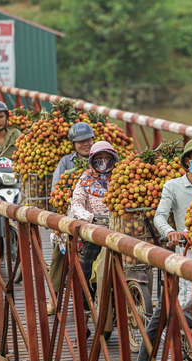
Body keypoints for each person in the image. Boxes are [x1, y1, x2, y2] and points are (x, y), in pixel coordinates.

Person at [132, 137, 192, 361]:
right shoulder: (173, 186)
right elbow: (160, 215)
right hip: (187, 250)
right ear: (187, 162)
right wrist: (170, 231)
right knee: (170, 307)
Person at [47, 122, 95, 314]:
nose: (85, 144)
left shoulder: (101, 158)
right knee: (60, 252)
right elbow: (55, 189)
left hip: (96, 214)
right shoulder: (66, 162)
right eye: (80, 141)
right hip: (71, 214)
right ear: (73, 144)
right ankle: (53, 296)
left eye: (88, 140)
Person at [69, 141, 119, 310]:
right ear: (92, 161)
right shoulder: (85, 180)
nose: (103, 162)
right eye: (99, 159)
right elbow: (76, 204)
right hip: (95, 231)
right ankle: (85, 309)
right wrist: (89, 218)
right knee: (87, 269)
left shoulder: (120, 179)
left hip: (118, 230)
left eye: (107, 158)